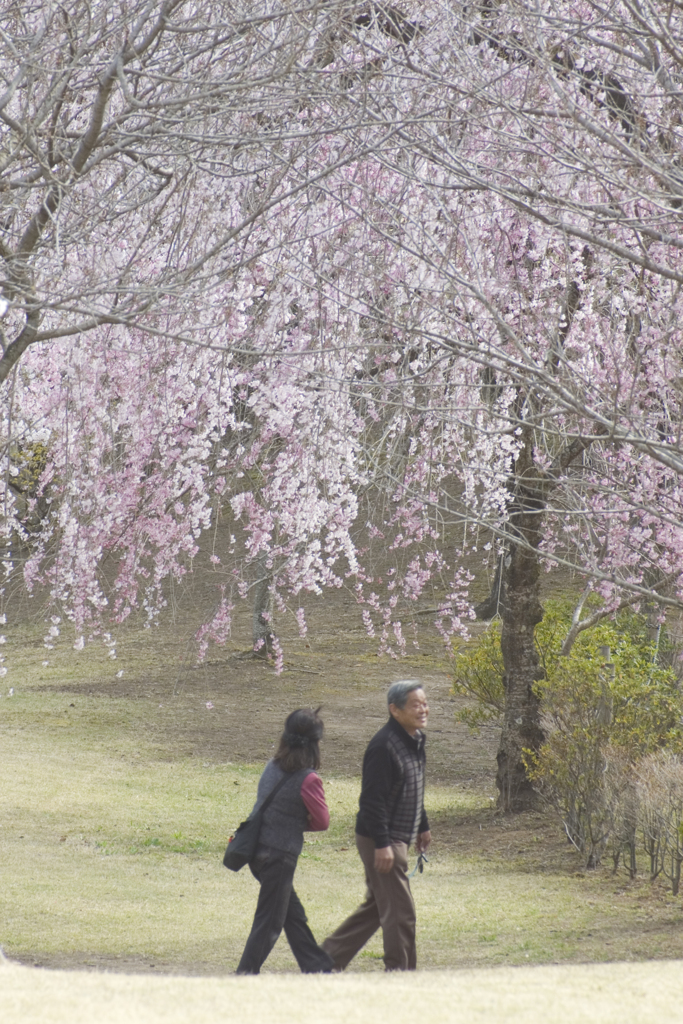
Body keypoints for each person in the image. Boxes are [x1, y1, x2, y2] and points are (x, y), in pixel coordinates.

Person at [322, 680, 431, 972]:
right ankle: (400, 972)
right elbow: (372, 801)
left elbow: (413, 785)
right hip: (381, 838)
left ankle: (324, 960)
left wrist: (423, 825)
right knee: (400, 911)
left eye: (424, 703)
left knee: (378, 907)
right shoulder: (383, 746)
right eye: (415, 705)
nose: (423, 710)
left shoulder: (416, 738)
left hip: (396, 837)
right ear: (394, 710)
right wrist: (382, 845)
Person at [236, 707, 334, 974]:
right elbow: (322, 821)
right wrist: (296, 823)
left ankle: (317, 966)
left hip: (256, 853)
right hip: (279, 857)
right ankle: (245, 974)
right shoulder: (309, 779)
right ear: (315, 744)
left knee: (293, 915)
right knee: (269, 922)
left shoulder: (271, 766)